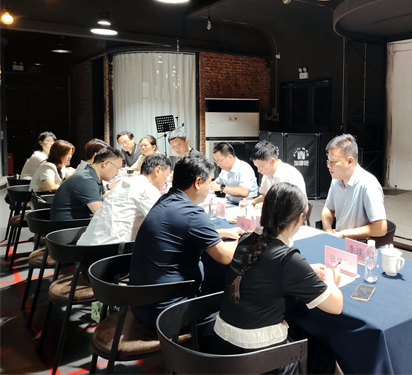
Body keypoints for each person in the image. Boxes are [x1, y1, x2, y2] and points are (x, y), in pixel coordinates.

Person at [214, 182, 343, 374]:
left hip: (223, 348)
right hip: (259, 359)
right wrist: (332, 279)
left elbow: (265, 269)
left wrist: (305, 270)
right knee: (324, 354)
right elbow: (336, 306)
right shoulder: (287, 258)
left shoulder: (246, 239)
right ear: (299, 219)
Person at [129, 155, 243, 329]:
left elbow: (181, 231)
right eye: (209, 183)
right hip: (169, 313)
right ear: (198, 182)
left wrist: (222, 232)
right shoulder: (191, 213)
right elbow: (225, 256)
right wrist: (246, 239)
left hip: (141, 305)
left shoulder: (165, 200)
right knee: (236, 312)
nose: (209, 188)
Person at [77, 154, 172, 246]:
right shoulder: (146, 188)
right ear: (158, 170)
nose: (165, 181)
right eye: (166, 175)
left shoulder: (124, 182)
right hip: (108, 251)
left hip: (84, 247)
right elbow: (162, 223)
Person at [321, 134, 387, 240]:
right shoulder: (336, 180)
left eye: (333, 162)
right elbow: (328, 208)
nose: (329, 165)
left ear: (350, 161)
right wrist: (328, 229)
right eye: (328, 161)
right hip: (340, 240)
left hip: (360, 244)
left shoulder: (368, 184)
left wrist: (343, 234)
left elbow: (381, 228)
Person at [50, 146, 124, 221]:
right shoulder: (86, 179)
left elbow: (103, 195)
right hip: (70, 226)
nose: (117, 173)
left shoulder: (91, 173)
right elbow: (101, 214)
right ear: (106, 163)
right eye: (117, 169)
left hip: (78, 221)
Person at [247, 140, 307, 209]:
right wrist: (253, 201)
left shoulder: (291, 175)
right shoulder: (267, 174)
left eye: (261, 166)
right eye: (257, 167)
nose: (258, 170)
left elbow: (300, 204)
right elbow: (264, 196)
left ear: (272, 161)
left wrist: (265, 206)